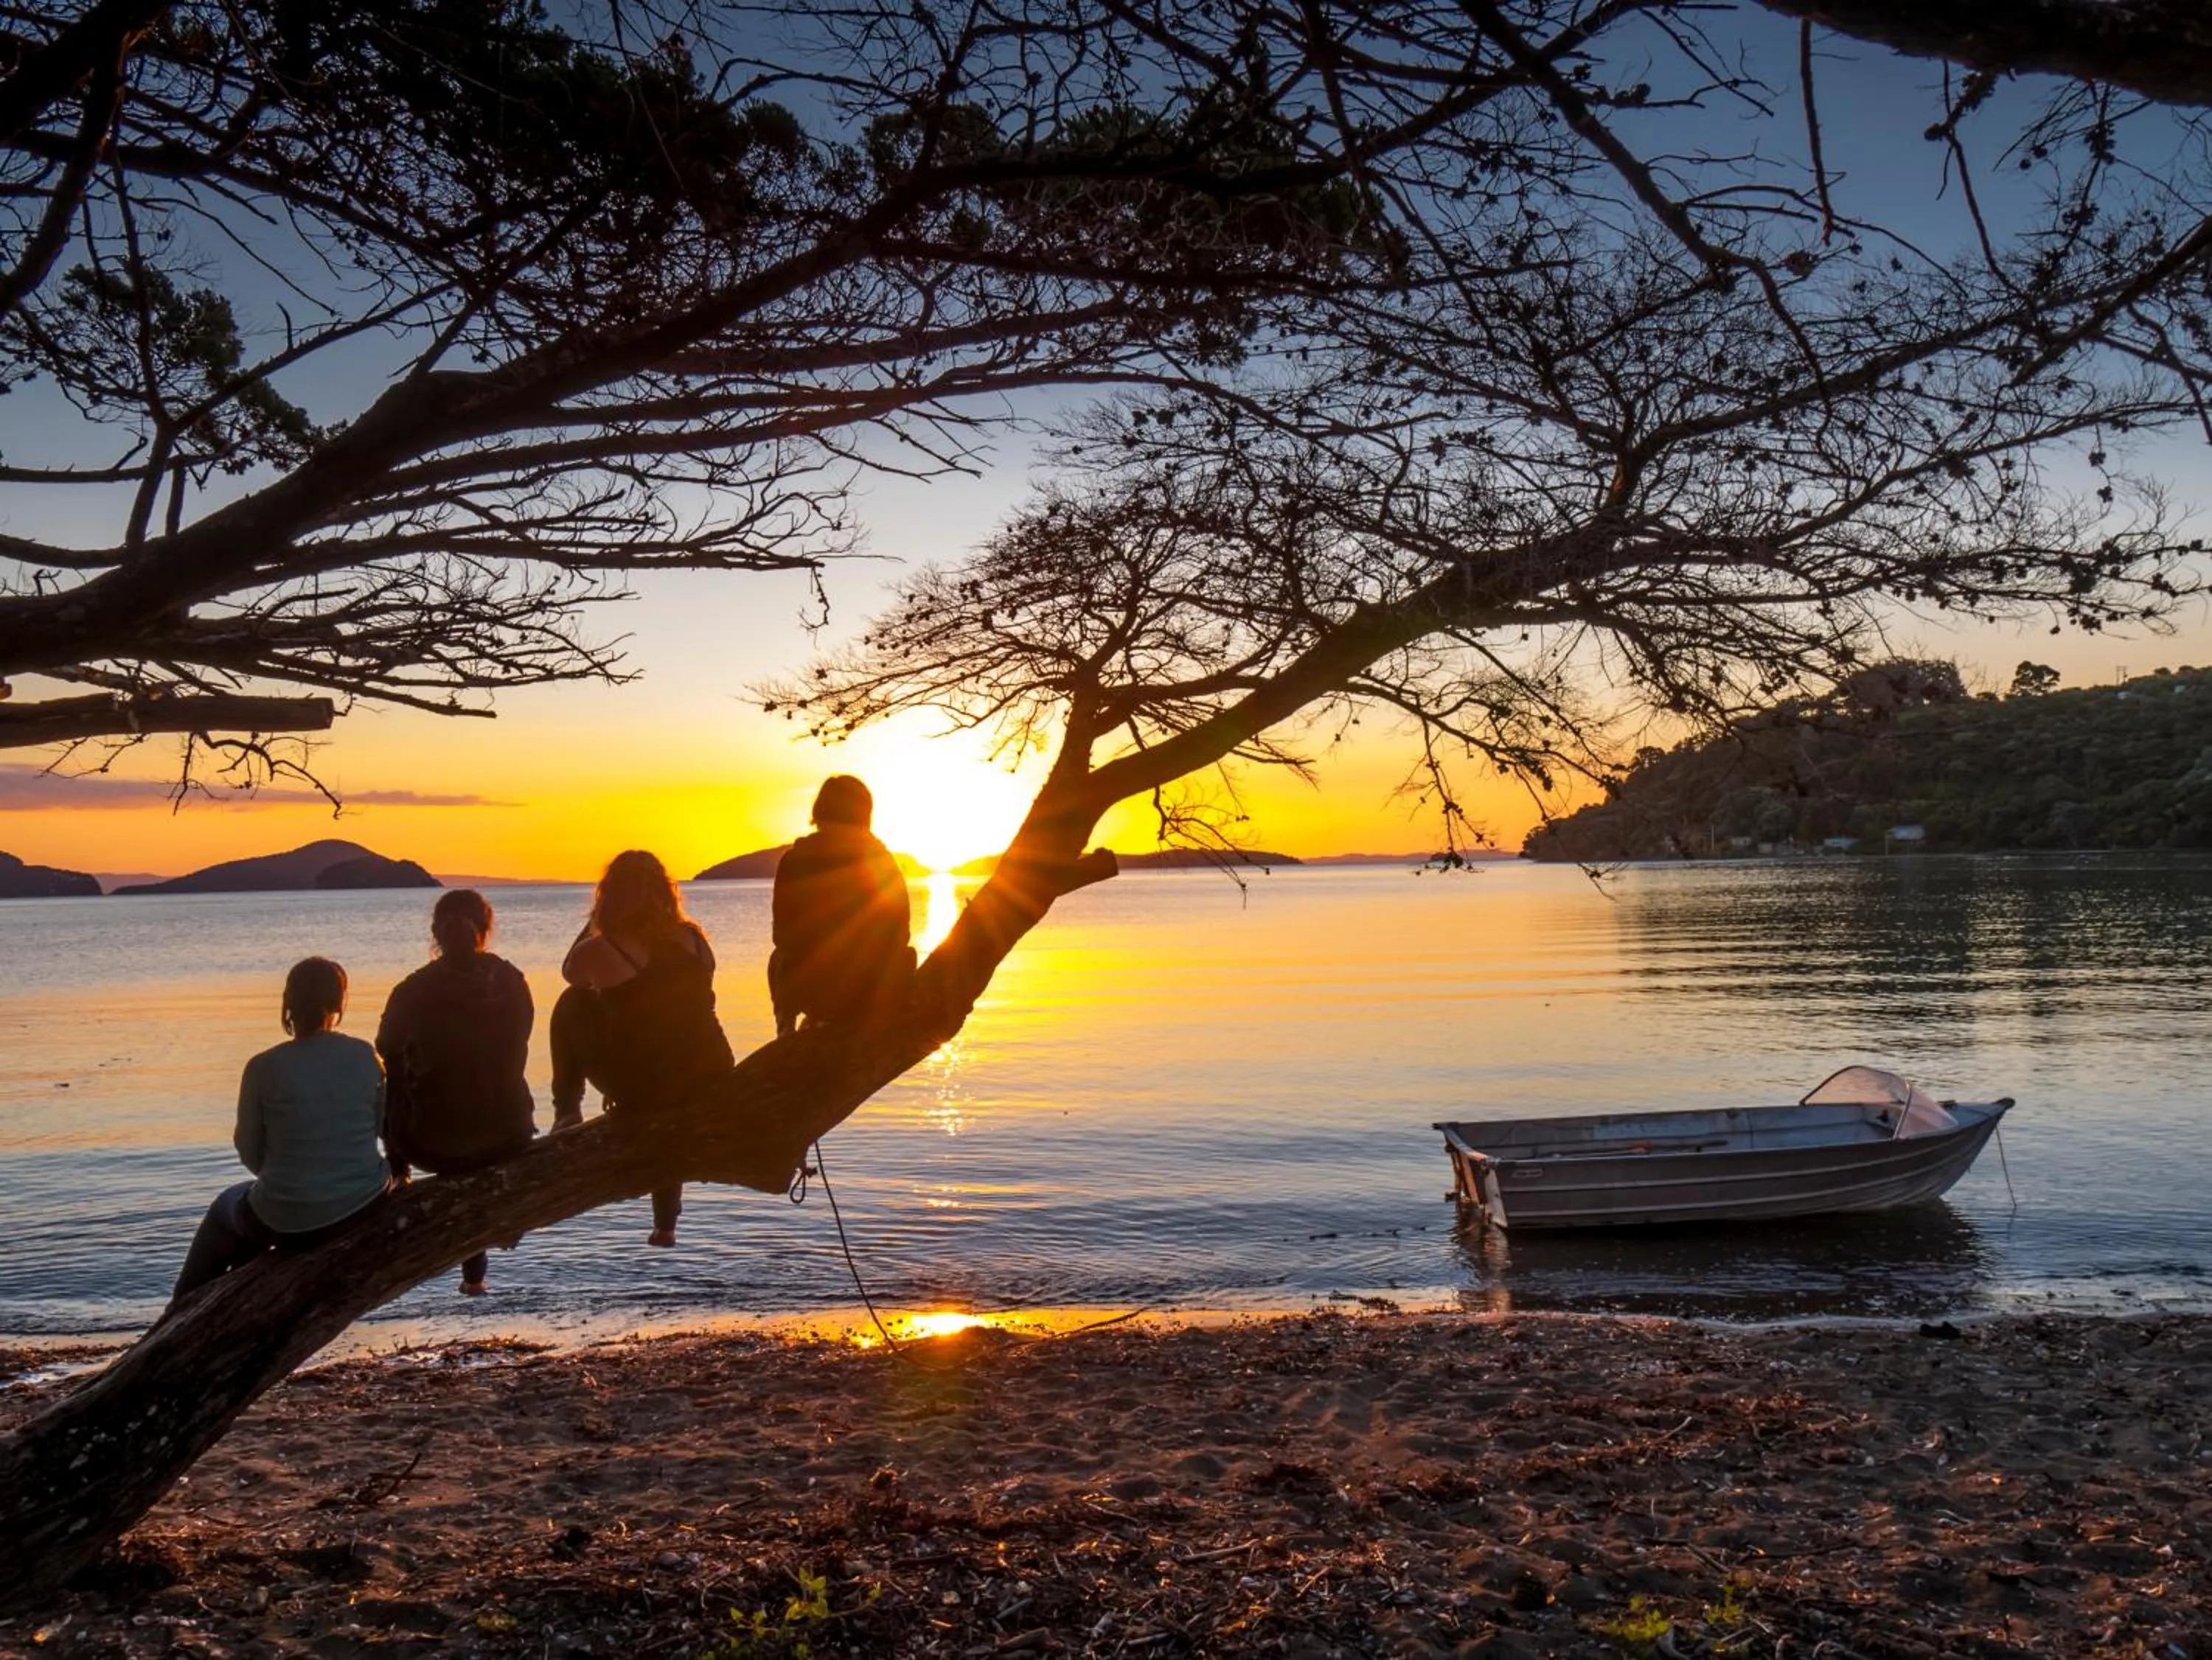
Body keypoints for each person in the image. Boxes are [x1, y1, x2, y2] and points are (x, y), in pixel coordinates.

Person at [168, 958, 389, 1309]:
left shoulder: (263, 1067)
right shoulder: (365, 1056)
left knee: (226, 1207)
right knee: (259, 1209)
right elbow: (379, 1127)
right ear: (339, 1002)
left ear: (288, 1001)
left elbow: (249, 1149)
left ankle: (181, 1307)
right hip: (362, 1204)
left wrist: (288, 1179)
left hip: (288, 1220)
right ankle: (229, 1302)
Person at [551, 851, 734, 1248]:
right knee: (669, 1076)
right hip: (712, 1070)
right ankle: (665, 1225)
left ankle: (567, 1110)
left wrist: (596, 922)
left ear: (609, 896)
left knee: (571, 1004)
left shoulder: (609, 947)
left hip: (649, 1086)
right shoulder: (695, 939)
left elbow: (571, 972)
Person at [378, 889, 535, 1295]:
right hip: (509, 1131)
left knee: (391, 1076)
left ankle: (399, 1175)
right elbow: (517, 1047)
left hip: (433, 1142)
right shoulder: (512, 981)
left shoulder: (412, 990)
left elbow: (388, 1055)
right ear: (485, 930)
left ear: (436, 932)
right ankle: (476, 1272)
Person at [768, 775, 916, 1036]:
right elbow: (901, 930)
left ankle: (786, 1030)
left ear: (819, 813)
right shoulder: (883, 860)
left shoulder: (795, 861)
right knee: (906, 953)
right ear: (866, 815)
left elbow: (783, 936)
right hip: (879, 992)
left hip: (822, 994)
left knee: (778, 960)